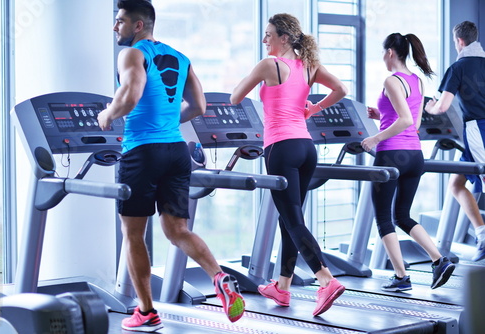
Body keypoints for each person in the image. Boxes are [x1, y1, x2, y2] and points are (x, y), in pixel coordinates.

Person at [98, 1, 245, 331]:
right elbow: (200, 106)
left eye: (119, 21)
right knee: (177, 230)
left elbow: (131, 95)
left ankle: (147, 312)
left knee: (133, 233)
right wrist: (166, 122)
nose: (114, 27)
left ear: (138, 26)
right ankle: (219, 278)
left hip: (142, 153)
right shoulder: (181, 57)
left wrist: (108, 114)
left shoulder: (132, 54)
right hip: (175, 150)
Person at [230, 13, 347, 316]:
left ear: (283, 37)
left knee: (293, 220)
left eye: (268, 34)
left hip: (281, 147)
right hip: (306, 148)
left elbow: (234, 97)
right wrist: (314, 109)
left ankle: (326, 280)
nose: (264, 39)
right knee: (289, 219)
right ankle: (282, 287)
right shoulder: (308, 66)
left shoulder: (269, 65)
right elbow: (341, 90)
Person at [361, 33, 456, 292]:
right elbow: (414, 123)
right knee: (402, 215)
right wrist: (381, 115)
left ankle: (401, 277)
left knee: (384, 218)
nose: (382, 57)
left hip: (391, 154)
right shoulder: (416, 81)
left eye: (383, 52)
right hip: (414, 156)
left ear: (391, 52)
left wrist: (374, 138)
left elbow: (404, 121)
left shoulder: (391, 81)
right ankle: (439, 260)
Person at [425, 20, 485, 262]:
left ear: (459, 41)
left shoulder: (458, 67)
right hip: (475, 133)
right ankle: (482, 234)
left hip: (478, 130)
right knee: (456, 185)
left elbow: (443, 106)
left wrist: (430, 107)